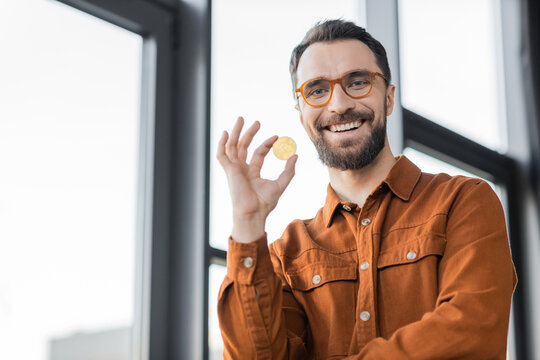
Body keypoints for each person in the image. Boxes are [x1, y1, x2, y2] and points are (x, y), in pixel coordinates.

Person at [216, 19, 517, 359]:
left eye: (357, 82)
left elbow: (470, 336)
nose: (339, 104)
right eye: (316, 90)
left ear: (388, 98)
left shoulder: (465, 202)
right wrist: (247, 220)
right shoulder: (286, 256)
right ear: (301, 114)